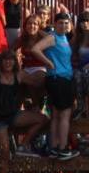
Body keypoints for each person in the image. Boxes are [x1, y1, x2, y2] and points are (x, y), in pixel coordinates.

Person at [31, 13, 80, 160]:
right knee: (64, 115)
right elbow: (35, 49)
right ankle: (63, 148)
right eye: (60, 23)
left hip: (60, 79)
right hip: (59, 79)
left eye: (66, 23)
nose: (64, 26)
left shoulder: (63, 37)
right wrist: (48, 63)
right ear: (55, 23)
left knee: (57, 115)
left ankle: (54, 148)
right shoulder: (52, 37)